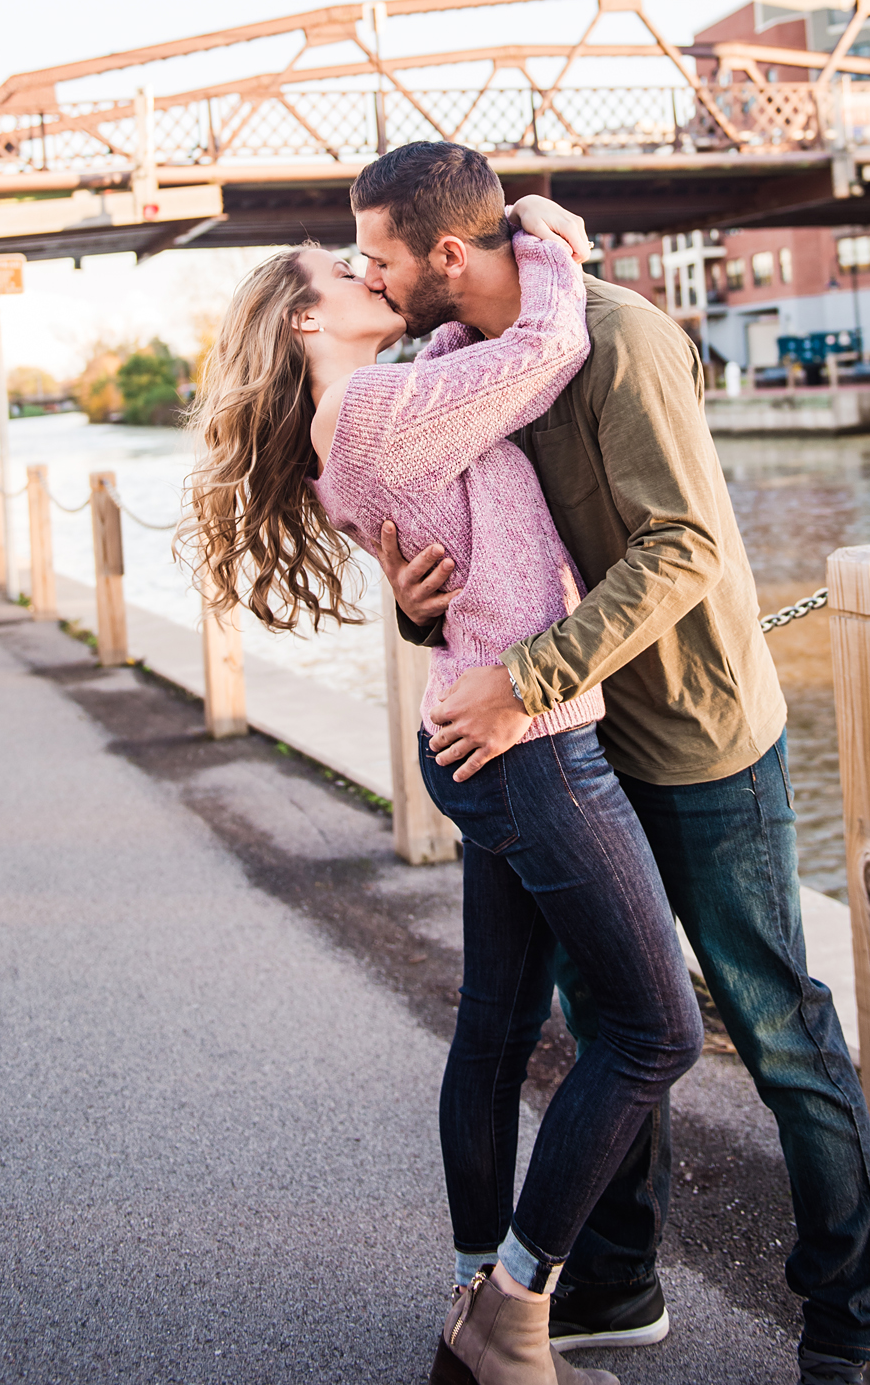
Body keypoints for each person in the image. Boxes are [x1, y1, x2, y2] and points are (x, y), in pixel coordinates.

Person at [355, 144, 870, 1385]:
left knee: (774, 1032)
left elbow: (684, 546)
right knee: (607, 1018)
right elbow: (475, 571)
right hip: (571, 745)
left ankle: (850, 1332)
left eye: (381, 253)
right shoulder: (462, 372)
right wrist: (415, 603)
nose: (368, 276)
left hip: (698, 738)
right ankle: (615, 1284)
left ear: (448, 252)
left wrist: (527, 678)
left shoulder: (622, 340)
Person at [179, 188, 703, 1385]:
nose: (371, 273)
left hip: (479, 731)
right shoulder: (366, 412)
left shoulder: (363, 414)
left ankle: (479, 1290)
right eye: (342, 270)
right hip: (529, 741)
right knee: (654, 1029)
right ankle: (516, 1299)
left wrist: (500, 262)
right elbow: (549, 345)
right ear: (307, 327)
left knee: (494, 1023)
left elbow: (473, 359)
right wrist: (546, 245)